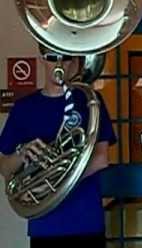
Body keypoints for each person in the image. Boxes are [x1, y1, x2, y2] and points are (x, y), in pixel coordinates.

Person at [0, 45, 116, 248]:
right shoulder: (23, 108)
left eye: (66, 57)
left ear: (74, 62)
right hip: (45, 225)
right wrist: (21, 153)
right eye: (52, 57)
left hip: (86, 221)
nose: (59, 63)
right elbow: (4, 167)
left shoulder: (91, 101)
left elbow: (100, 159)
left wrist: (46, 186)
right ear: (43, 59)